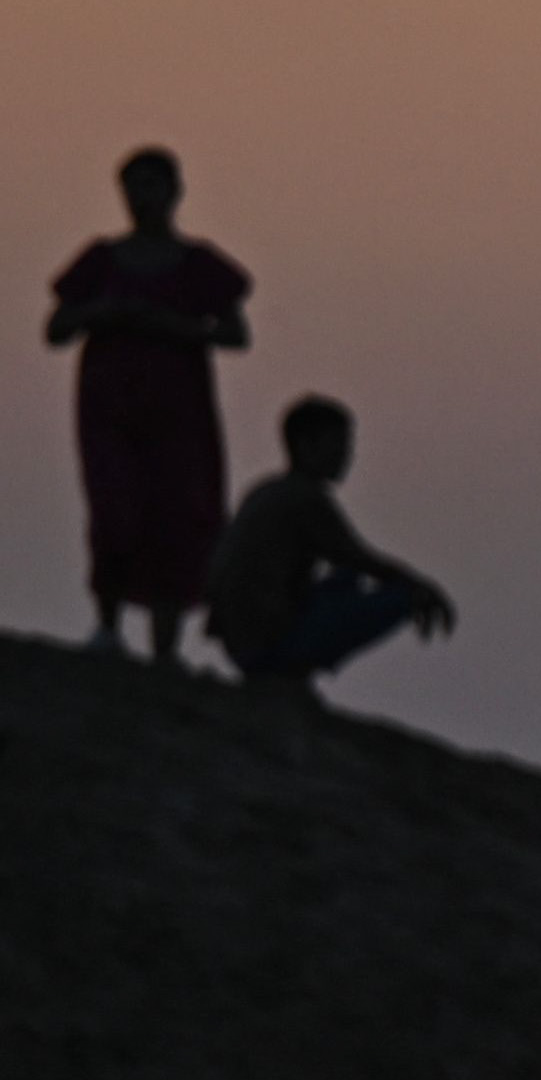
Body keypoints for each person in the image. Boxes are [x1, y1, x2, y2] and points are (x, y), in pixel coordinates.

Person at [44, 146, 254, 663]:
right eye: (133, 188)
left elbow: (234, 333)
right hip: (109, 410)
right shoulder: (101, 260)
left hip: (179, 415)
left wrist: (177, 327)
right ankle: (107, 630)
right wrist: (105, 312)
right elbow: (56, 328)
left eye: (152, 187)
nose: (142, 200)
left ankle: (166, 649)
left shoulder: (199, 264)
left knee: (179, 519)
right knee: (113, 512)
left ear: (175, 192)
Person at [204, 396, 453, 693]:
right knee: (399, 595)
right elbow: (359, 557)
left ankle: (289, 666)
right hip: (266, 643)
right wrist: (421, 590)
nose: (346, 456)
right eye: (337, 445)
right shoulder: (305, 498)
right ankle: (290, 672)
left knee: (348, 580)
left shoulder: (267, 490)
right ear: (304, 445)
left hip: (241, 640)